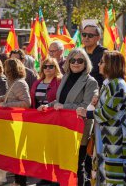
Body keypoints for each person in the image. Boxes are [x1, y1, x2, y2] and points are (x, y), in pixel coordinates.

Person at [39, 48, 99, 186]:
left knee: (77, 166)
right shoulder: (65, 77)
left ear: (85, 63)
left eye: (80, 60)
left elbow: (86, 106)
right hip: (62, 127)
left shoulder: (91, 82)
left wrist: (63, 107)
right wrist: (48, 106)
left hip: (79, 129)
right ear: (68, 62)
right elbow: (61, 101)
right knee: (62, 164)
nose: (76, 63)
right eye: (73, 60)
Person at [76, 51, 126, 185]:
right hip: (109, 140)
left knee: (118, 178)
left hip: (117, 141)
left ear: (111, 65)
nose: (99, 64)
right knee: (108, 177)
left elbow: (109, 113)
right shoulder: (109, 83)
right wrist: (95, 103)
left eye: (102, 62)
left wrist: (86, 113)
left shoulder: (118, 84)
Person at [0, 58, 31, 186]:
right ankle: (18, 181)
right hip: (12, 123)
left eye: (5, 68)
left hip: (17, 123)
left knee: (18, 153)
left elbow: (26, 103)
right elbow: (7, 97)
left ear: (10, 70)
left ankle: (20, 182)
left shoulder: (20, 84)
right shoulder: (13, 83)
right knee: (14, 153)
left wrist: (6, 105)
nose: (4, 71)